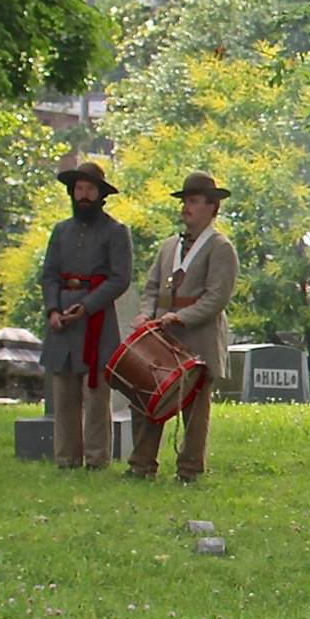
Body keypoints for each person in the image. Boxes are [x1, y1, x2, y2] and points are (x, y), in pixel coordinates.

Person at [127, 172, 239, 483]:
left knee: (195, 409)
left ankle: (189, 470)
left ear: (212, 206)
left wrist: (182, 317)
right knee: (148, 398)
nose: (186, 207)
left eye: (193, 201)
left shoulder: (221, 247)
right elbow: (151, 288)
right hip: (161, 338)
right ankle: (141, 465)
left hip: (199, 337)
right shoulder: (168, 246)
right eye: (184, 201)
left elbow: (216, 297)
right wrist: (146, 314)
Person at [39, 160, 133, 470]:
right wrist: (53, 309)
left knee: (95, 398)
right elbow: (49, 274)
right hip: (61, 323)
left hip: (96, 321)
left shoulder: (116, 231)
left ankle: (96, 459)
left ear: (101, 194)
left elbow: (120, 278)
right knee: (63, 395)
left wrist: (87, 306)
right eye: (79, 188)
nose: (84, 195)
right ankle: (66, 458)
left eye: (90, 189)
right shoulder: (61, 231)